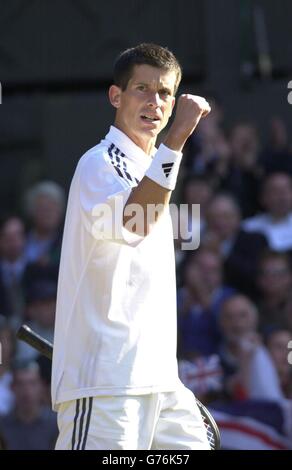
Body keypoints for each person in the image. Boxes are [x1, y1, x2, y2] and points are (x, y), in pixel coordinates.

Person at [52, 43, 211, 450]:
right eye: (142, 89)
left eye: (164, 94)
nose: (154, 103)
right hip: (105, 384)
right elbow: (134, 222)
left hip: (161, 382)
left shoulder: (153, 169)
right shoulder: (98, 163)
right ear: (115, 97)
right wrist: (176, 139)